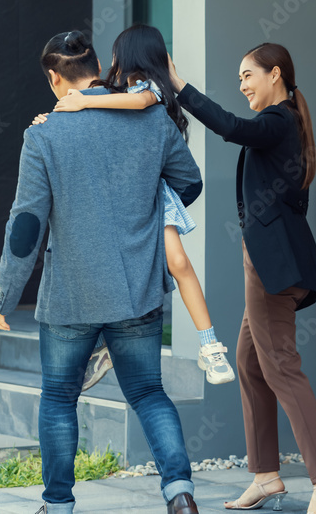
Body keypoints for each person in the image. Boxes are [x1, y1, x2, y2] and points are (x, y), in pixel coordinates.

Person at [0, 30, 203, 514]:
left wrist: (4, 296)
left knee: (60, 398)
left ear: (54, 77)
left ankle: (59, 506)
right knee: (149, 393)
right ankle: (180, 494)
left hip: (71, 295)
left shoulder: (44, 133)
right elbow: (189, 183)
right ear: (96, 66)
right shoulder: (149, 118)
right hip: (138, 290)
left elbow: (26, 226)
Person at [170, 43, 316, 514]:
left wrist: (178, 86)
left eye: (248, 75)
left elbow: (232, 129)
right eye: (238, 79)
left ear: (275, 74)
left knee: (279, 366)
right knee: (251, 363)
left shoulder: (278, 120)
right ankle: (267, 476)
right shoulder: (288, 122)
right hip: (272, 259)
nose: (243, 84)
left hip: (270, 265)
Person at [33, 23, 234, 389]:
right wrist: (52, 118)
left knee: (178, 263)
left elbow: (138, 102)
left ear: (129, 58)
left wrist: (82, 101)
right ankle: (113, 345)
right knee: (166, 264)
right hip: (143, 196)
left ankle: (210, 346)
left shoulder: (148, 90)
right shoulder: (116, 92)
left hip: (155, 194)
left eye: (116, 55)